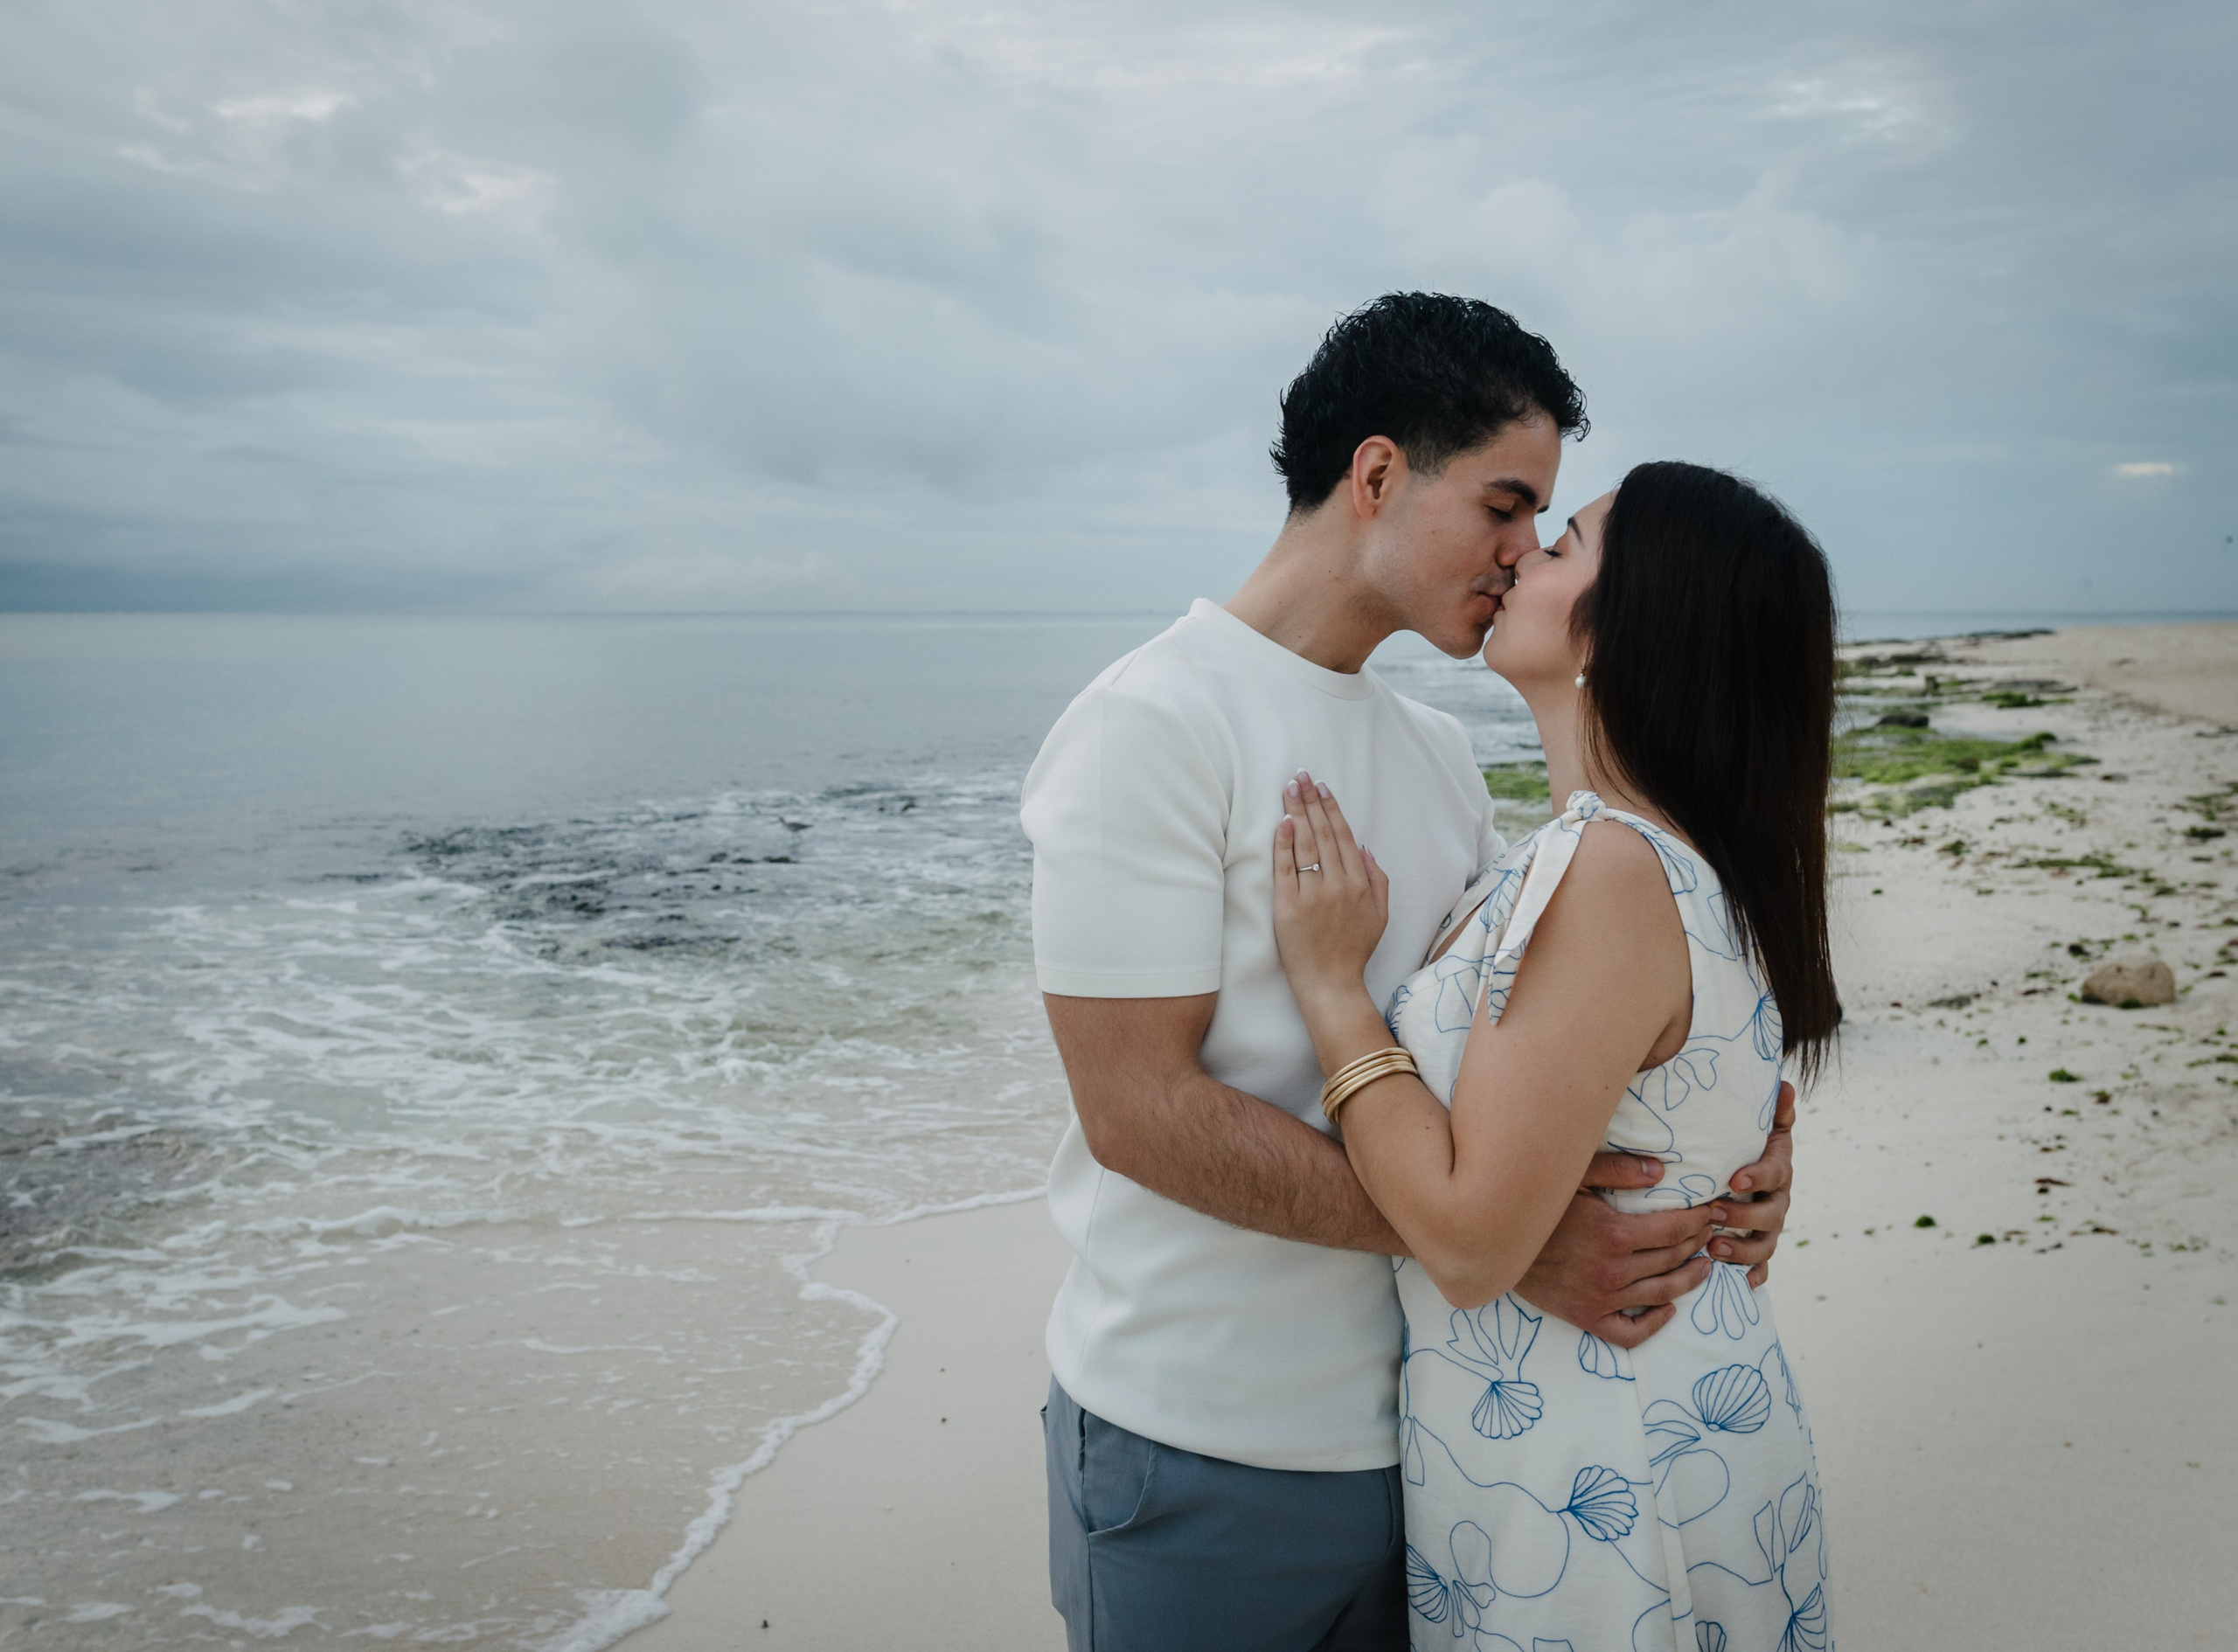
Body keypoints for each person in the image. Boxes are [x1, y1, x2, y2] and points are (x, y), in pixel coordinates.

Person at [1020, 295, 1797, 1651]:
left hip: (1444, 1449)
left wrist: (1724, 1162)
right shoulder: (1151, 722)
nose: (1519, 554)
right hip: (1206, 1445)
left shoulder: (1441, 756)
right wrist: (1505, 1245)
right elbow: (1133, 1107)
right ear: (1377, 473)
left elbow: (1542, 1039)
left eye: (1546, 526)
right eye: (1507, 506)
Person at [1269, 462, 1838, 1649]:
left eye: (1565, 545)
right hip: (1645, 1424)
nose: (1523, 552)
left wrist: (1333, 990)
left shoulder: (1614, 869)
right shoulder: (1661, 859)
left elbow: (1473, 1242)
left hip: (1595, 1463)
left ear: (1629, 632)